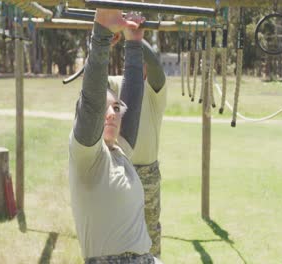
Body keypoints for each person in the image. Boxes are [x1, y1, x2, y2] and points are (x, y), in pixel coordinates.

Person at [68, 8, 162, 264]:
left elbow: (132, 94)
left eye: (116, 108)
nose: (112, 113)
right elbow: (91, 101)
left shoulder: (120, 151)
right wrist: (100, 34)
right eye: (105, 108)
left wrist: (134, 43)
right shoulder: (88, 155)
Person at [108, 37, 166, 258]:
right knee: (118, 234)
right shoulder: (117, 83)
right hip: (120, 169)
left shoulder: (154, 90)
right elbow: (93, 83)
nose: (140, 64)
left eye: (142, 60)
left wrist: (131, 36)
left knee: (150, 234)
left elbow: (157, 68)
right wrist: (105, 41)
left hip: (147, 174)